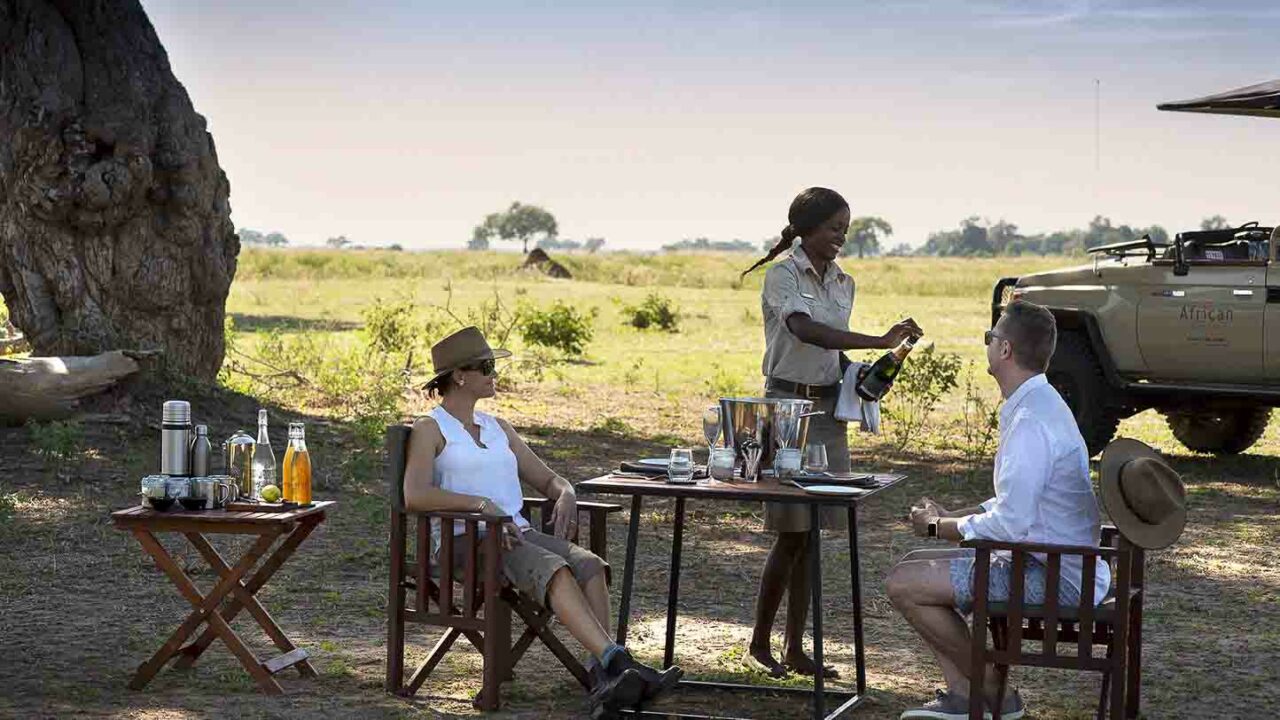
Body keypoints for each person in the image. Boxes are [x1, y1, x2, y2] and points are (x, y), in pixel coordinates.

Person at [403, 326, 681, 718]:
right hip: (467, 540)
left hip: (517, 534)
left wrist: (566, 492)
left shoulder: (498, 429)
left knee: (591, 566)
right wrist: (481, 505)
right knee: (555, 568)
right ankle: (617, 664)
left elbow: (549, 480)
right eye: (486, 367)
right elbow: (414, 495)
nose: (495, 373)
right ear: (459, 376)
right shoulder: (430, 428)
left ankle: (604, 678)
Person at [885, 301, 1113, 720]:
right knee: (912, 564)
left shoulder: (1030, 420)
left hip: (1058, 576)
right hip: (1054, 560)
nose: (987, 343)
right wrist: (949, 516)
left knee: (904, 584)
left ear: (1005, 349)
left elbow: (1010, 524)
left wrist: (938, 527)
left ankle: (995, 692)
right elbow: (1018, 505)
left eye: (991, 337)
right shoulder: (1040, 403)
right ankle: (962, 696)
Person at [741, 187, 923, 678]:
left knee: (813, 536)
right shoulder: (783, 274)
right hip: (786, 407)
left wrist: (866, 371)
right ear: (806, 229)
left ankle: (795, 648)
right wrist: (877, 338)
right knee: (790, 532)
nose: (841, 237)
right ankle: (760, 642)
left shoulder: (845, 282)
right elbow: (803, 330)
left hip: (827, 411)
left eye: (845, 229)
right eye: (833, 228)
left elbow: (830, 350)